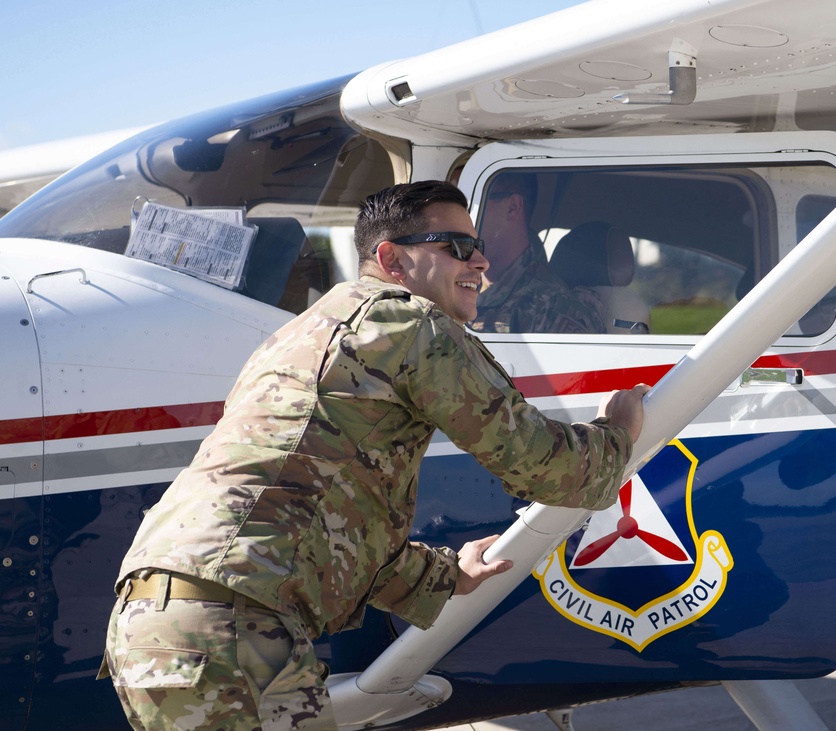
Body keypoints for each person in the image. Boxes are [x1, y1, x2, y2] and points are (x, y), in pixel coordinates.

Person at [100, 180, 648, 731]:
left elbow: (315, 513)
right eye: (456, 246)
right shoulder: (412, 324)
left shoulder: (300, 333)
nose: (480, 260)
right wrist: (618, 432)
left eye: (477, 245)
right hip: (234, 625)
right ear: (392, 259)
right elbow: (543, 467)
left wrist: (443, 574)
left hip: (158, 618)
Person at [468, 173, 607, 334]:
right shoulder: (460, 286)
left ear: (512, 207)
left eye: (474, 203)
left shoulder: (552, 306)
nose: (463, 215)